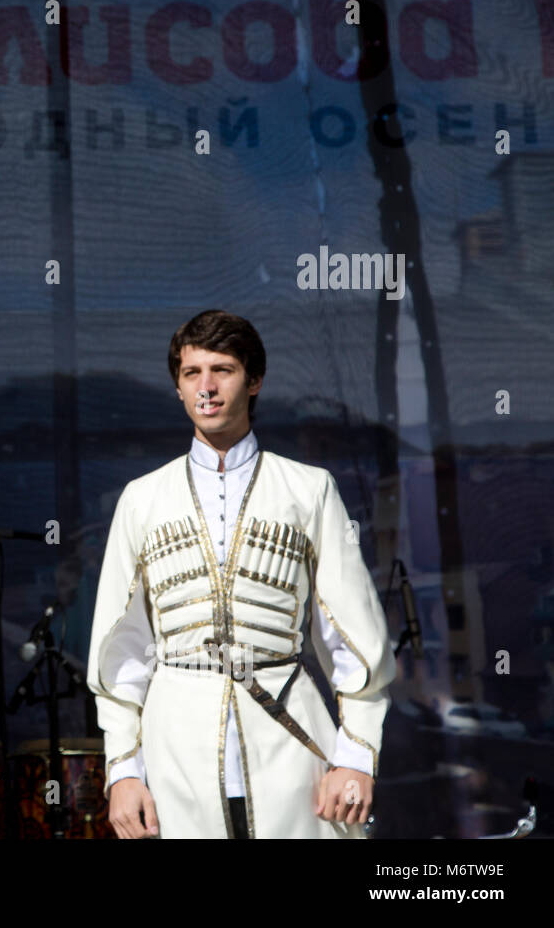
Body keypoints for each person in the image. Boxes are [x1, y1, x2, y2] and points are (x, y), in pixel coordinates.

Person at [87, 310, 395, 839]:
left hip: (291, 747)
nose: (206, 387)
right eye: (191, 373)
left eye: (222, 370)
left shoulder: (310, 490)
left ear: (254, 381)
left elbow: (354, 641)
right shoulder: (141, 500)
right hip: (173, 751)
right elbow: (122, 652)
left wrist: (357, 756)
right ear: (179, 388)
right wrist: (122, 770)